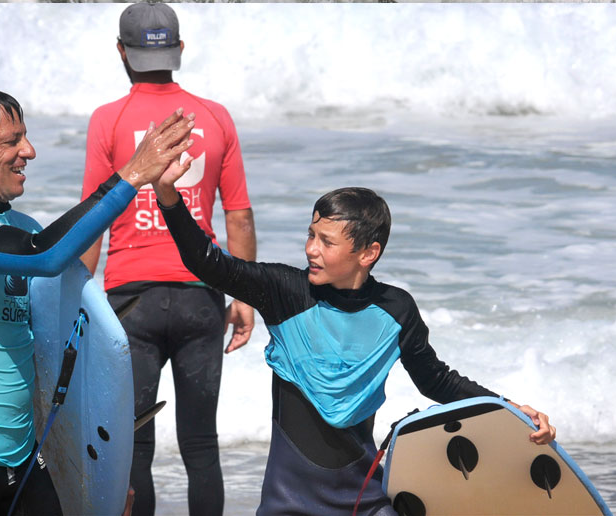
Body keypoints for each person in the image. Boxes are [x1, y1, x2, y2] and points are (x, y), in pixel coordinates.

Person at [150, 172, 558, 514]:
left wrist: (507, 410)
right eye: (311, 235)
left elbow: (437, 381)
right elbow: (207, 262)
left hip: (364, 501)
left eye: (327, 241)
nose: (311, 249)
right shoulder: (285, 292)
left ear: (368, 253)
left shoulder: (396, 310)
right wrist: (167, 193)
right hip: (288, 505)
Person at [0, 86, 195, 515]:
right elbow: (45, 255)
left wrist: (103, 477)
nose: (29, 151)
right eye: (11, 141)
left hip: (22, 451)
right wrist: (130, 176)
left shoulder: (21, 227)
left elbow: (68, 341)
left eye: (25, 137)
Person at [78, 3, 256, 515]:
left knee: (134, 444)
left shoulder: (108, 119)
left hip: (131, 303)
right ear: (179, 50)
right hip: (201, 297)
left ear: (122, 52)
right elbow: (239, 217)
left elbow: (92, 220)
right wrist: (244, 298)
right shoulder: (216, 117)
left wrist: (77, 304)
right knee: (201, 443)